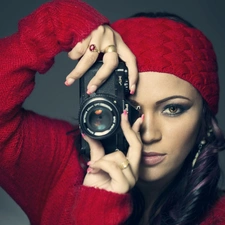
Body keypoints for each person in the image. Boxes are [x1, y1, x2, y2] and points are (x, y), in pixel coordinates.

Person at [0, 0, 225, 224]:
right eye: (127, 107)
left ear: (204, 119)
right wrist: (57, 21)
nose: (148, 134)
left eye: (172, 109)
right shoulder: (57, 164)